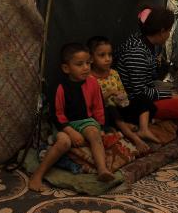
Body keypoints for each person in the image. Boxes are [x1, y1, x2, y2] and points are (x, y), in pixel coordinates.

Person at [116, 6, 178, 148]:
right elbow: (139, 93)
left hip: (144, 96)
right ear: (161, 31)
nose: (169, 34)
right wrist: (168, 95)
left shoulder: (146, 43)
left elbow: (149, 80)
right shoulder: (136, 51)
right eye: (169, 30)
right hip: (135, 105)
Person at [29, 43, 115, 191]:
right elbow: (57, 114)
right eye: (79, 64)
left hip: (86, 121)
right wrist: (70, 131)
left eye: (88, 63)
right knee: (64, 142)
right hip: (64, 124)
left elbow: (99, 107)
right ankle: (37, 176)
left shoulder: (93, 82)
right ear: (66, 68)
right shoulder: (59, 87)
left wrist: (101, 127)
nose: (86, 67)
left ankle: (102, 169)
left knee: (94, 134)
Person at [87, 35, 150, 153]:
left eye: (110, 55)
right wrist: (110, 93)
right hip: (103, 114)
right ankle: (135, 138)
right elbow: (92, 102)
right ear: (91, 58)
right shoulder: (89, 78)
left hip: (119, 109)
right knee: (111, 110)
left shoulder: (113, 73)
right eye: (102, 55)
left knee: (142, 99)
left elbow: (122, 92)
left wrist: (121, 99)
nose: (107, 59)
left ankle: (143, 129)